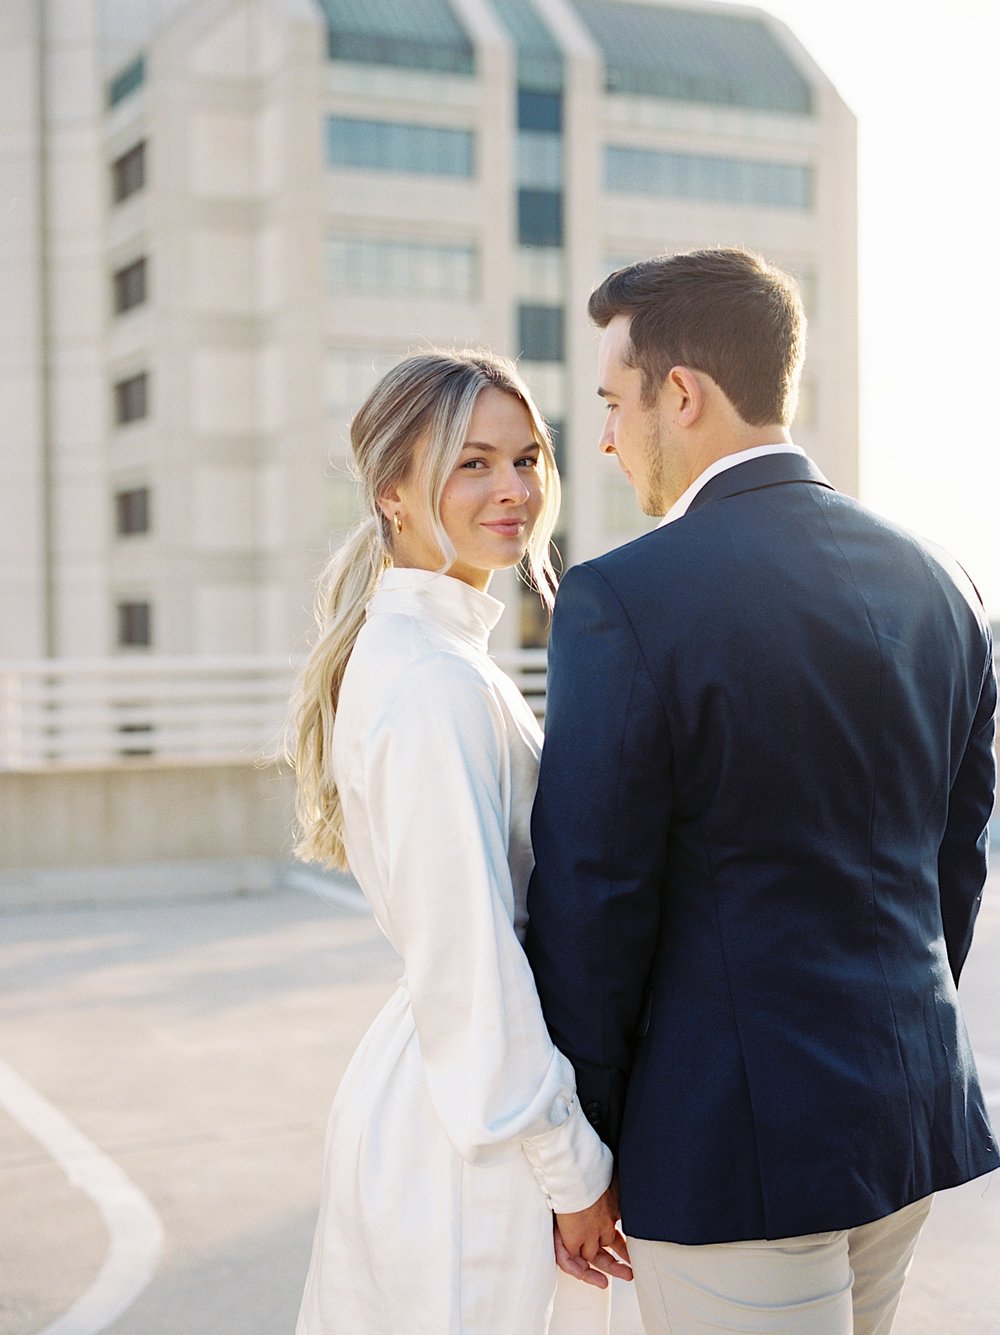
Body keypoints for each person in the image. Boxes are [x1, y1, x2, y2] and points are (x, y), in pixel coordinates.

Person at [525, 248, 999, 1334]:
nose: (602, 438)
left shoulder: (625, 598)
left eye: (611, 402)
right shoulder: (945, 580)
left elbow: (595, 904)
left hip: (734, 1150)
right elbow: (954, 867)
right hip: (903, 1116)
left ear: (679, 395)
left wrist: (579, 1154)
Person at [288, 349, 630, 1335]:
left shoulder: (441, 656)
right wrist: (571, 1172)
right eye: (472, 463)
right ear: (393, 490)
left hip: (457, 1113)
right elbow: (469, 963)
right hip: (466, 1148)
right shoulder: (432, 681)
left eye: (527, 458)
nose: (514, 489)